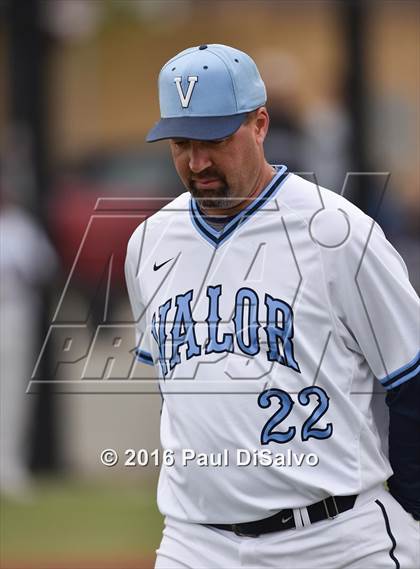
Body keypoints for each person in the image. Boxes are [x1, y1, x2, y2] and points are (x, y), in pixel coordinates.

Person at [125, 44, 419, 568]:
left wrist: (412, 510)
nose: (197, 163)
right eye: (181, 143)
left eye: (215, 140)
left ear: (260, 124)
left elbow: (412, 378)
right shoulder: (149, 242)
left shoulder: (338, 234)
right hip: (196, 544)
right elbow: (176, 394)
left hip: (335, 538)